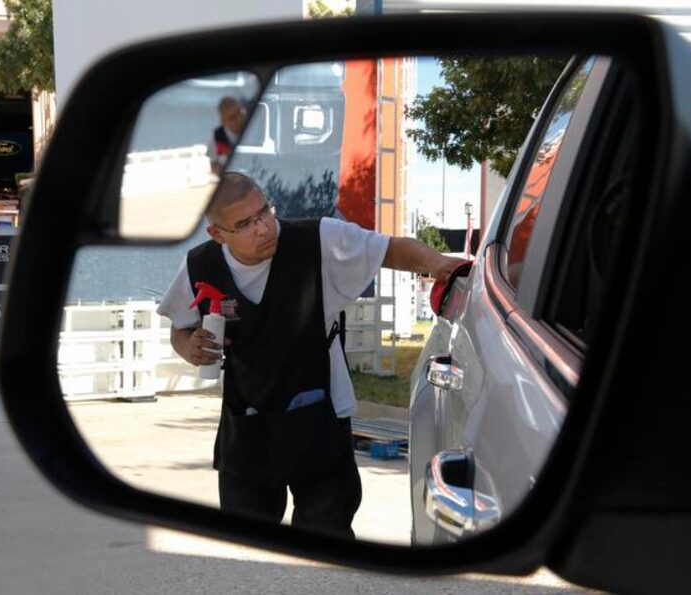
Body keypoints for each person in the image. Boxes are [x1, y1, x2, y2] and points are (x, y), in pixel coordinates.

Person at [157, 173, 463, 538]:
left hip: (320, 415)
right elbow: (180, 327)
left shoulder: (319, 239)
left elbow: (391, 249)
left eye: (264, 212)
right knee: (246, 540)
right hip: (248, 424)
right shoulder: (200, 265)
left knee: (327, 533)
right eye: (244, 224)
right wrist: (188, 346)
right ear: (218, 234)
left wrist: (442, 264)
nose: (263, 228)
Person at [207, 96, 248, 175]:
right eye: (233, 118)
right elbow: (214, 166)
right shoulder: (217, 139)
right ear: (223, 121)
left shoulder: (252, 126)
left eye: (240, 113)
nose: (239, 119)